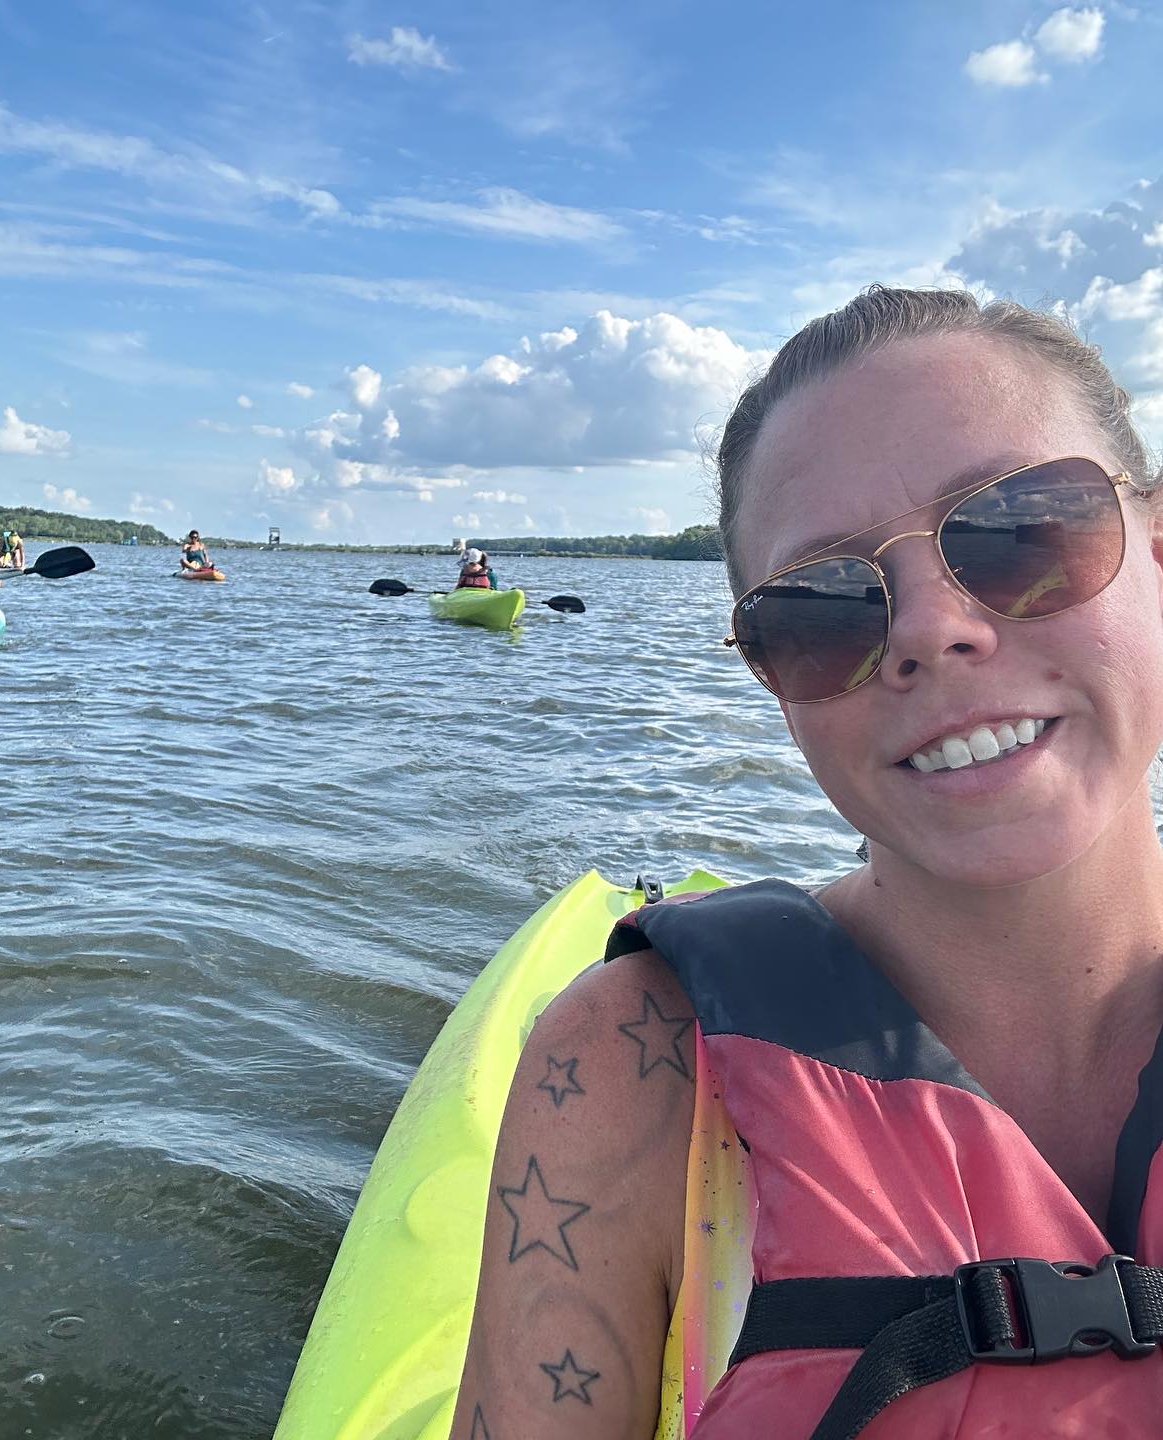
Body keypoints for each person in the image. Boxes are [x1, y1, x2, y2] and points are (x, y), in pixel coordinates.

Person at [449, 285, 1163, 1439]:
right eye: (824, 605)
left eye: (1021, 532)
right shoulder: (634, 1074)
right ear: (771, 677)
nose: (930, 629)